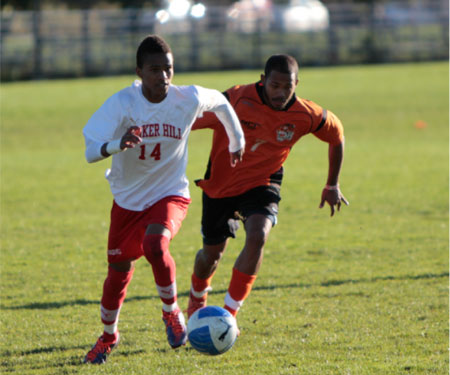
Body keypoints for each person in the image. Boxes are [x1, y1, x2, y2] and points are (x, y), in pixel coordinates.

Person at [82, 35, 245, 364]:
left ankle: (171, 313)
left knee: (155, 245)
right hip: (127, 200)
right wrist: (117, 144)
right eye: (154, 70)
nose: (163, 76)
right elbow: (90, 150)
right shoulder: (122, 103)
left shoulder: (188, 97)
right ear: (139, 71)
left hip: (170, 193)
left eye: (168, 69)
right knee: (117, 274)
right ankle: (109, 336)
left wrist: (236, 140)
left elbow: (221, 102)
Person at [187, 54, 348, 327]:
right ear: (263, 81)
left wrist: (332, 184)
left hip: (264, 182)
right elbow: (188, 120)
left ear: (297, 83)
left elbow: (337, 135)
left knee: (259, 235)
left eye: (288, 87)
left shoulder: (305, 114)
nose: (281, 92)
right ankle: (197, 297)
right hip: (221, 184)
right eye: (275, 85)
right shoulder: (236, 99)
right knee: (210, 256)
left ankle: (229, 315)